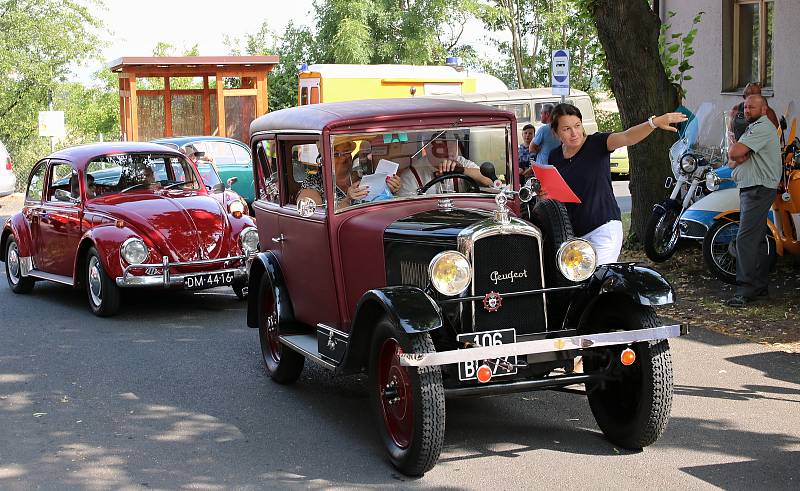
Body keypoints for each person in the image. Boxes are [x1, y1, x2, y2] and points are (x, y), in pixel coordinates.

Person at [548, 103, 687, 264]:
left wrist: (654, 123)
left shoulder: (597, 143)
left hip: (603, 229)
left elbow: (627, 136)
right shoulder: (555, 157)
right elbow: (557, 192)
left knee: (595, 280)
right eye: (566, 129)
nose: (574, 133)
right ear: (556, 132)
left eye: (577, 126)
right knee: (575, 285)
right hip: (573, 235)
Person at [724, 94, 783, 307]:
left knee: (745, 239)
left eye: (752, 107)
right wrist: (737, 156)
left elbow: (735, 151)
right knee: (756, 239)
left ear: (764, 109)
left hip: (758, 188)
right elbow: (736, 156)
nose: (747, 110)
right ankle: (759, 287)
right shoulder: (754, 127)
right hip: (755, 187)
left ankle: (745, 290)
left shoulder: (761, 127)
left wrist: (737, 155)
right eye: (746, 107)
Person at [297, 141, 402, 210]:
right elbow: (312, 215)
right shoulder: (314, 182)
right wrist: (347, 200)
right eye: (336, 154)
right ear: (322, 159)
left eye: (347, 152)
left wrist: (390, 189)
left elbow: (378, 202)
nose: (344, 158)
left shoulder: (361, 175)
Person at [396, 135, 494, 197]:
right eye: (442, 144)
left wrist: (462, 170)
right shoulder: (412, 175)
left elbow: (489, 182)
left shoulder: (461, 162)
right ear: (428, 147)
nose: (450, 150)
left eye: (452, 143)